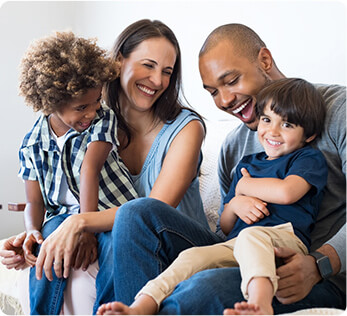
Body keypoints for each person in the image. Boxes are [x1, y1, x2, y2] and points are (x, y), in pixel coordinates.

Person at [97, 23, 345, 314]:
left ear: (264, 61)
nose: (225, 101)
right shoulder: (234, 147)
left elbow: (288, 194)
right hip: (242, 252)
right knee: (136, 213)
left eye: (232, 80)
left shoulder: (338, 110)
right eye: (213, 91)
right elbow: (227, 230)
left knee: (201, 289)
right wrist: (235, 204)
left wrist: (319, 264)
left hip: (316, 273)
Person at [0, 19, 209, 314]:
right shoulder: (89, 121)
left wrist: (79, 222)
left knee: (126, 224)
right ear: (119, 61)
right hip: (122, 239)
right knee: (56, 242)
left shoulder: (185, 129)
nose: (158, 81)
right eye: (148, 65)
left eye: (167, 71)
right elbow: (62, 192)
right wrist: (36, 235)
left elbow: (151, 211)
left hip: (175, 244)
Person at [16, 31, 138, 315]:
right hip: (61, 217)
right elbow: (35, 201)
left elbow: (89, 170)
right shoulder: (32, 143)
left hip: (109, 210)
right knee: (46, 246)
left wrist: (86, 227)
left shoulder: (102, 118)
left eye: (96, 101)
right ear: (51, 102)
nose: (92, 112)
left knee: (114, 247)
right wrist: (32, 231)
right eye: (81, 107)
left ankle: (109, 310)